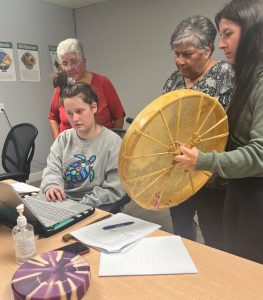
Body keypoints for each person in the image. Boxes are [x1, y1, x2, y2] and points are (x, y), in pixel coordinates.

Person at [174, 0, 263, 263]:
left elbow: (259, 154)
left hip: (254, 195)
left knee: (249, 270)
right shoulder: (246, 77)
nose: (221, 44)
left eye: (228, 34)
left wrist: (203, 160)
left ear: (252, 32)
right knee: (234, 260)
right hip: (238, 190)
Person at [163, 15, 234, 250]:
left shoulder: (228, 76)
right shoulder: (173, 81)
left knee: (215, 236)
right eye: (176, 53)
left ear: (207, 50)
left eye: (187, 54)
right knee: (181, 231)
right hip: (179, 174)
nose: (180, 61)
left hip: (212, 176)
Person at [41, 70, 126, 207]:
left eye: (79, 111)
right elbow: (52, 170)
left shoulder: (113, 143)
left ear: (93, 107)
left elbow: (115, 188)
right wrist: (52, 186)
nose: (75, 119)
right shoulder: (63, 139)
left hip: (94, 207)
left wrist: (81, 206)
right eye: (69, 113)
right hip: (62, 202)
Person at [49, 38, 126, 140]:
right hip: (69, 148)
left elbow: (119, 116)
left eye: (73, 62)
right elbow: (53, 117)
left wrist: (112, 142)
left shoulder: (103, 83)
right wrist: (57, 141)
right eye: (65, 63)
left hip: (101, 146)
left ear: (84, 61)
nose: (69, 68)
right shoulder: (61, 87)